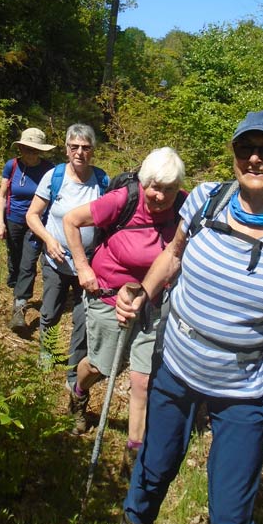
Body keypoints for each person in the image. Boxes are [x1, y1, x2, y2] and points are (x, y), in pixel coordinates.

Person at [115, 111, 263, 524]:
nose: (255, 159)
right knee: (152, 470)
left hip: (247, 388)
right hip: (176, 368)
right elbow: (174, 255)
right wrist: (143, 292)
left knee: (231, 515)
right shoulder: (204, 199)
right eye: (244, 148)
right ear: (233, 154)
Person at [62, 146, 186, 466]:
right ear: (144, 183)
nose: (161, 196)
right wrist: (82, 267)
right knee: (104, 367)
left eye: (169, 189)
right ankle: (78, 392)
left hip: (153, 303)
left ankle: (135, 452)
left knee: (142, 379)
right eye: (155, 187)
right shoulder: (124, 200)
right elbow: (72, 221)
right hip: (107, 295)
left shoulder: (184, 206)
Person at [26, 123, 108, 388]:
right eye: (75, 147)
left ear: (93, 150)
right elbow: (32, 215)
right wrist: (49, 239)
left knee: (82, 322)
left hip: (88, 264)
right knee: (50, 313)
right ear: (66, 149)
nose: (80, 152)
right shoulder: (55, 176)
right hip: (56, 260)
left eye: (85, 148)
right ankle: (47, 356)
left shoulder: (103, 181)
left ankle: (73, 371)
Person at [0, 127, 56, 333]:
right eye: (25, 148)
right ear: (20, 148)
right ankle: (16, 285)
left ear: (40, 151)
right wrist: (0, 222)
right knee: (15, 259)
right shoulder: (11, 166)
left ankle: (19, 306)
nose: (29, 153)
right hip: (13, 220)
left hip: (36, 223)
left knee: (28, 262)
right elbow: (3, 195)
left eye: (33, 149)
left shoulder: (50, 170)